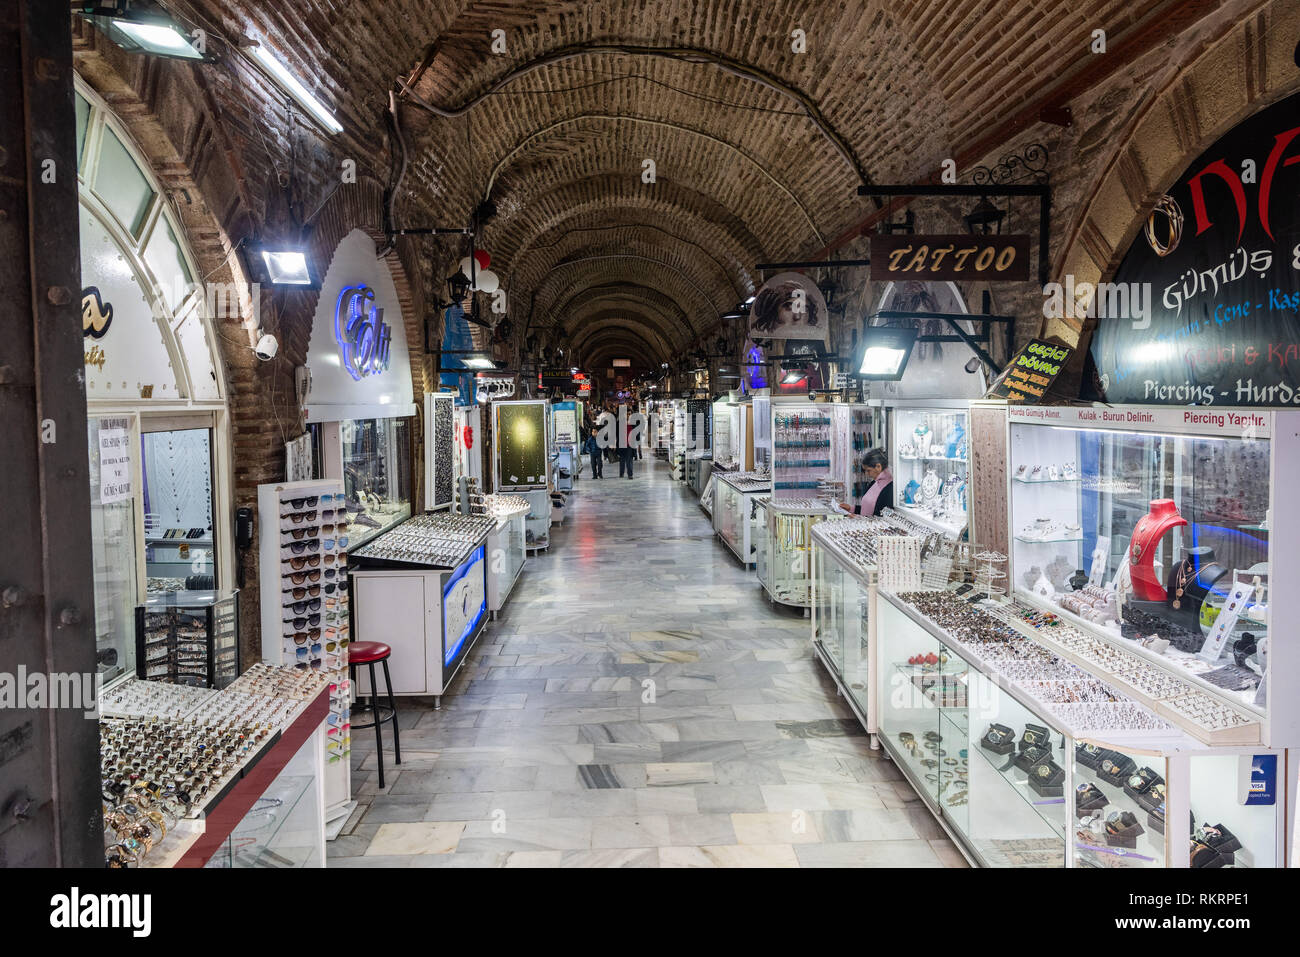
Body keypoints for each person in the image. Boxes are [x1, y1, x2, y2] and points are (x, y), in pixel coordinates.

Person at [837, 448, 892, 516]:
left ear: (878, 466)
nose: (866, 474)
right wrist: (851, 508)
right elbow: (866, 509)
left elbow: (883, 516)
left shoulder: (889, 487)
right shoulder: (874, 483)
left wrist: (858, 518)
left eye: (868, 470)